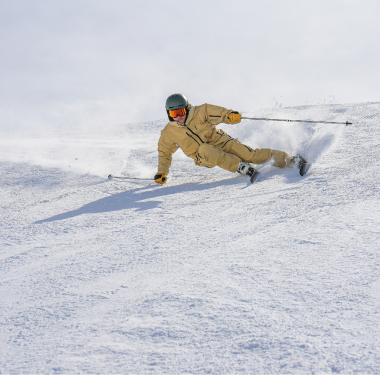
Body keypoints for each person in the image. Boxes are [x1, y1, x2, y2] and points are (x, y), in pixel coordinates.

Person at [154, 93, 298, 185]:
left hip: (221, 140)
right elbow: (164, 154)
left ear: (186, 108)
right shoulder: (168, 132)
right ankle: (240, 167)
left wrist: (230, 115)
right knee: (206, 149)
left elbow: (218, 113)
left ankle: (288, 159)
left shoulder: (200, 111)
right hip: (203, 155)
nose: (178, 117)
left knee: (250, 155)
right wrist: (162, 173)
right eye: (174, 113)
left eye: (180, 112)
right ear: (169, 114)